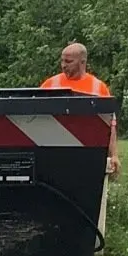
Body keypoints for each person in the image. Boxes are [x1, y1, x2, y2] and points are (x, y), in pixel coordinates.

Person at [41, 42, 121, 177]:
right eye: (62, 61)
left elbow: (110, 126)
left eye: (69, 61)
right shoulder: (50, 85)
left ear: (82, 62)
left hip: (88, 153)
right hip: (54, 153)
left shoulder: (98, 88)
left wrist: (114, 155)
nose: (63, 65)